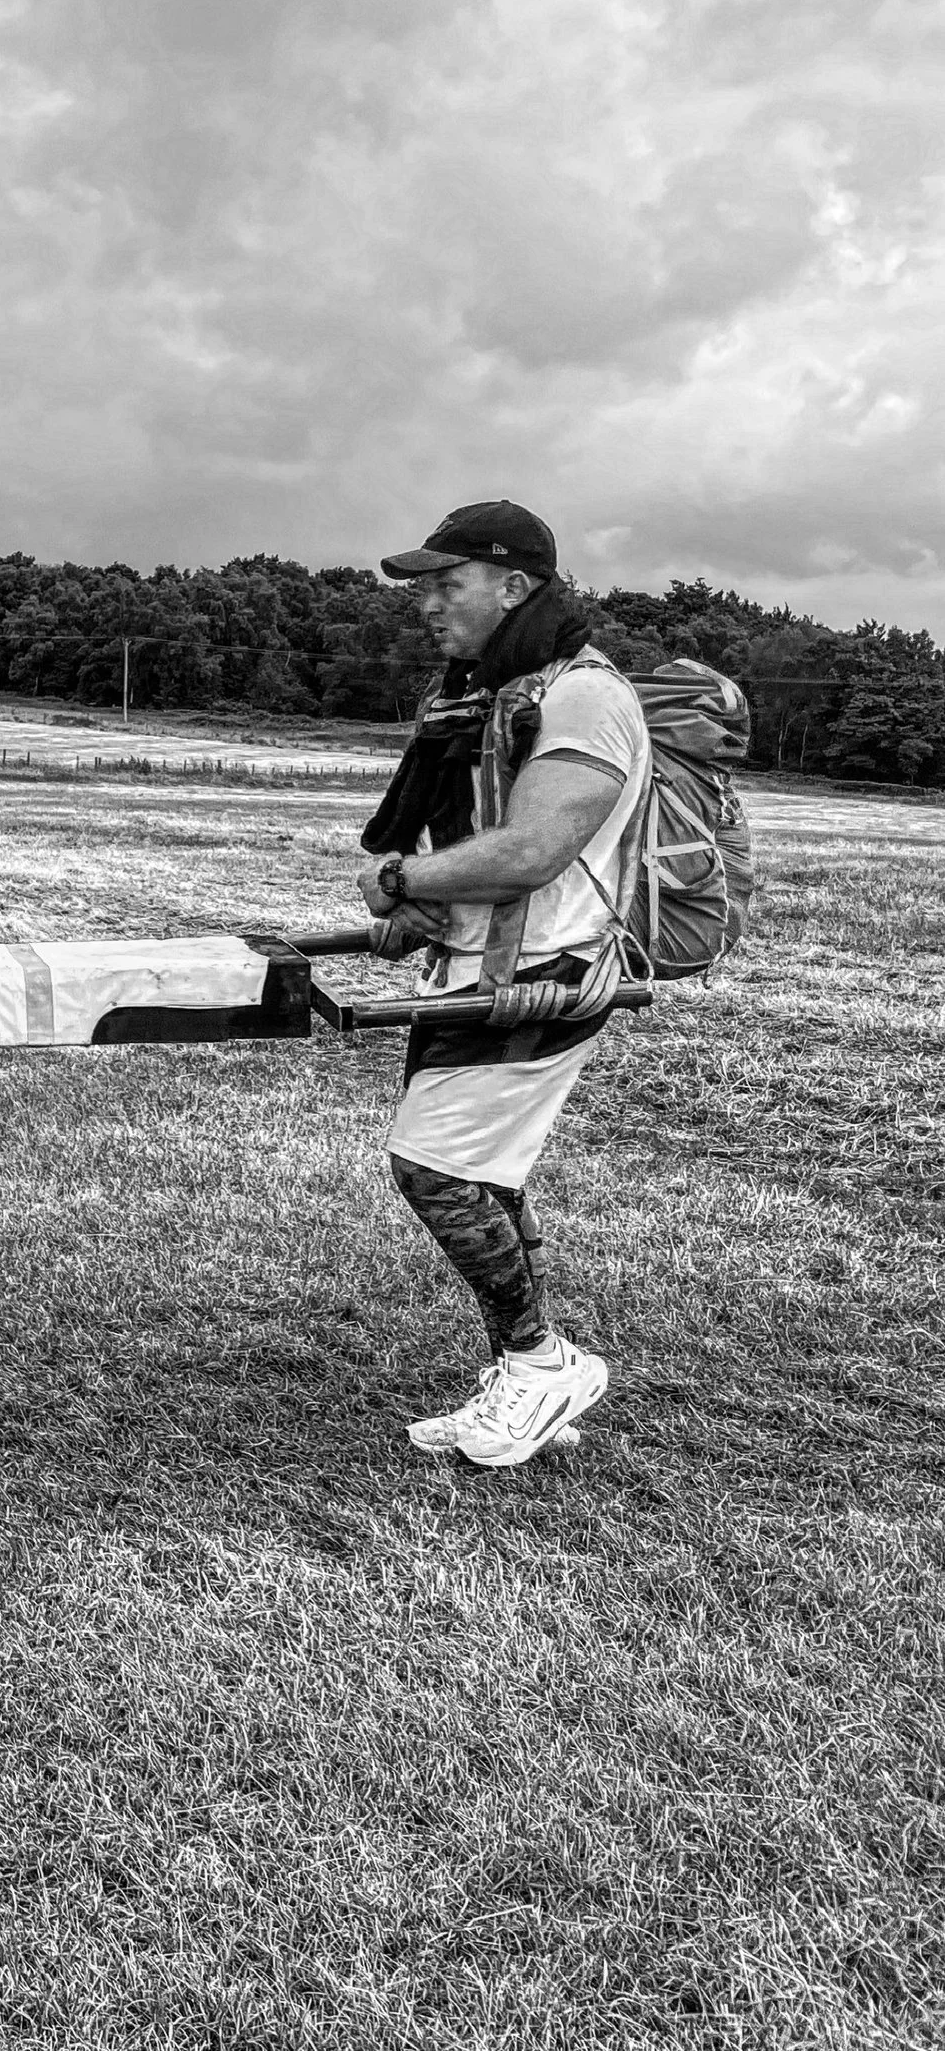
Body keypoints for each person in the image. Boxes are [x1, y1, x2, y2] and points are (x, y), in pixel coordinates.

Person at [356, 500, 650, 1468]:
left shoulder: (586, 697)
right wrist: (424, 914)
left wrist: (404, 880)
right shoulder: (502, 689)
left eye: (448, 584)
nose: (428, 605)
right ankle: (528, 1379)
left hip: (546, 976)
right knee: (481, 1173)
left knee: (432, 1167)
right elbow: (484, 842)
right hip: (482, 967)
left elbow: (530, 849)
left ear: (513, 586)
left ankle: (537, 1362)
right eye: (423, 587)